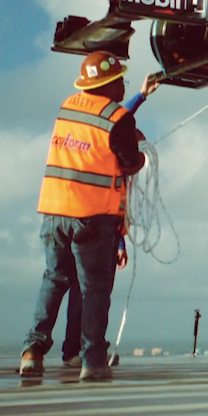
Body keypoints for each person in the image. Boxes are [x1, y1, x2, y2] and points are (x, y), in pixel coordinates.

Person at [18, 51, 156, 381]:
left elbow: (97, 136)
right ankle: (92, 361)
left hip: (54, 211)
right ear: (108, 84)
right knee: (94, 288)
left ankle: (32, 352)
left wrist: (138, 102)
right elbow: (129, 162)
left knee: (54, 280)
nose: (124, 85)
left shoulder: (68, 107)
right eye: (120, 80)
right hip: (92, 216)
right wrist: (139, 153)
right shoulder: (117, 118)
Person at [59, 228, 129, 368]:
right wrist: (120, 243)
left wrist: (120, 243)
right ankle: (79, 351)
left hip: (100, 234)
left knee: (92, 295)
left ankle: (88, 350)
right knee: (85, 294)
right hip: (91, 231)